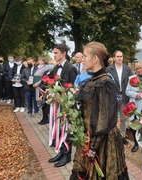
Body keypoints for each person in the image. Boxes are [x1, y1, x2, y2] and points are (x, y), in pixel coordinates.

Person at [70, 41, 129, 180]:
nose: (82, 59)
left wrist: (93, 147)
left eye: (85, 56)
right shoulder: (93, 80)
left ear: (95, 58)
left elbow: (106, 118)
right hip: (89, 136)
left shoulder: (105, 82)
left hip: (102, 140)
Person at [47, 43, 77, 168]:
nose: (54, 55)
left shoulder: (70, 68)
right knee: (59, 129)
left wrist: (64, 96)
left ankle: (67, 155)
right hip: (57, 104)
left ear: (63, 53)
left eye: (56, 53)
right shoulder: (55, 68)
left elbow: (73, 88)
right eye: (53, 53)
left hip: (66, 105)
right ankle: (60, 151)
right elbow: (49, 80)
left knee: (66, 130)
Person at [106, 50, 133, 145]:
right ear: (113, 58)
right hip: (113, 97)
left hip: (124, 96)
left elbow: (131, 83)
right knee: (112, 118)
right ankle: (112, 137)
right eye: (117, 56)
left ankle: (122, 137)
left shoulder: (127, 69)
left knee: (123, 118)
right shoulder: (109, 70)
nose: (119, 58)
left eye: (121, 56)